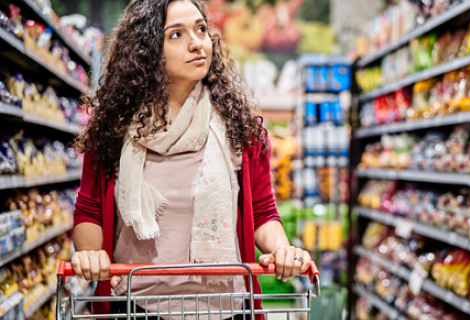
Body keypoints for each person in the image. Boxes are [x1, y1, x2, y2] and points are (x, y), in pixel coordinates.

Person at [71, 0, 311, 319]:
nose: (197, 43)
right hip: (136, 307)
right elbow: (89, 209)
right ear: (148, 50)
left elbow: (263, 210)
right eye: (176, 34)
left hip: (224, 308)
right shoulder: (113, 130)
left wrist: (281, 248)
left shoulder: (241, 129)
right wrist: (90, 255)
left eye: (201, 29)